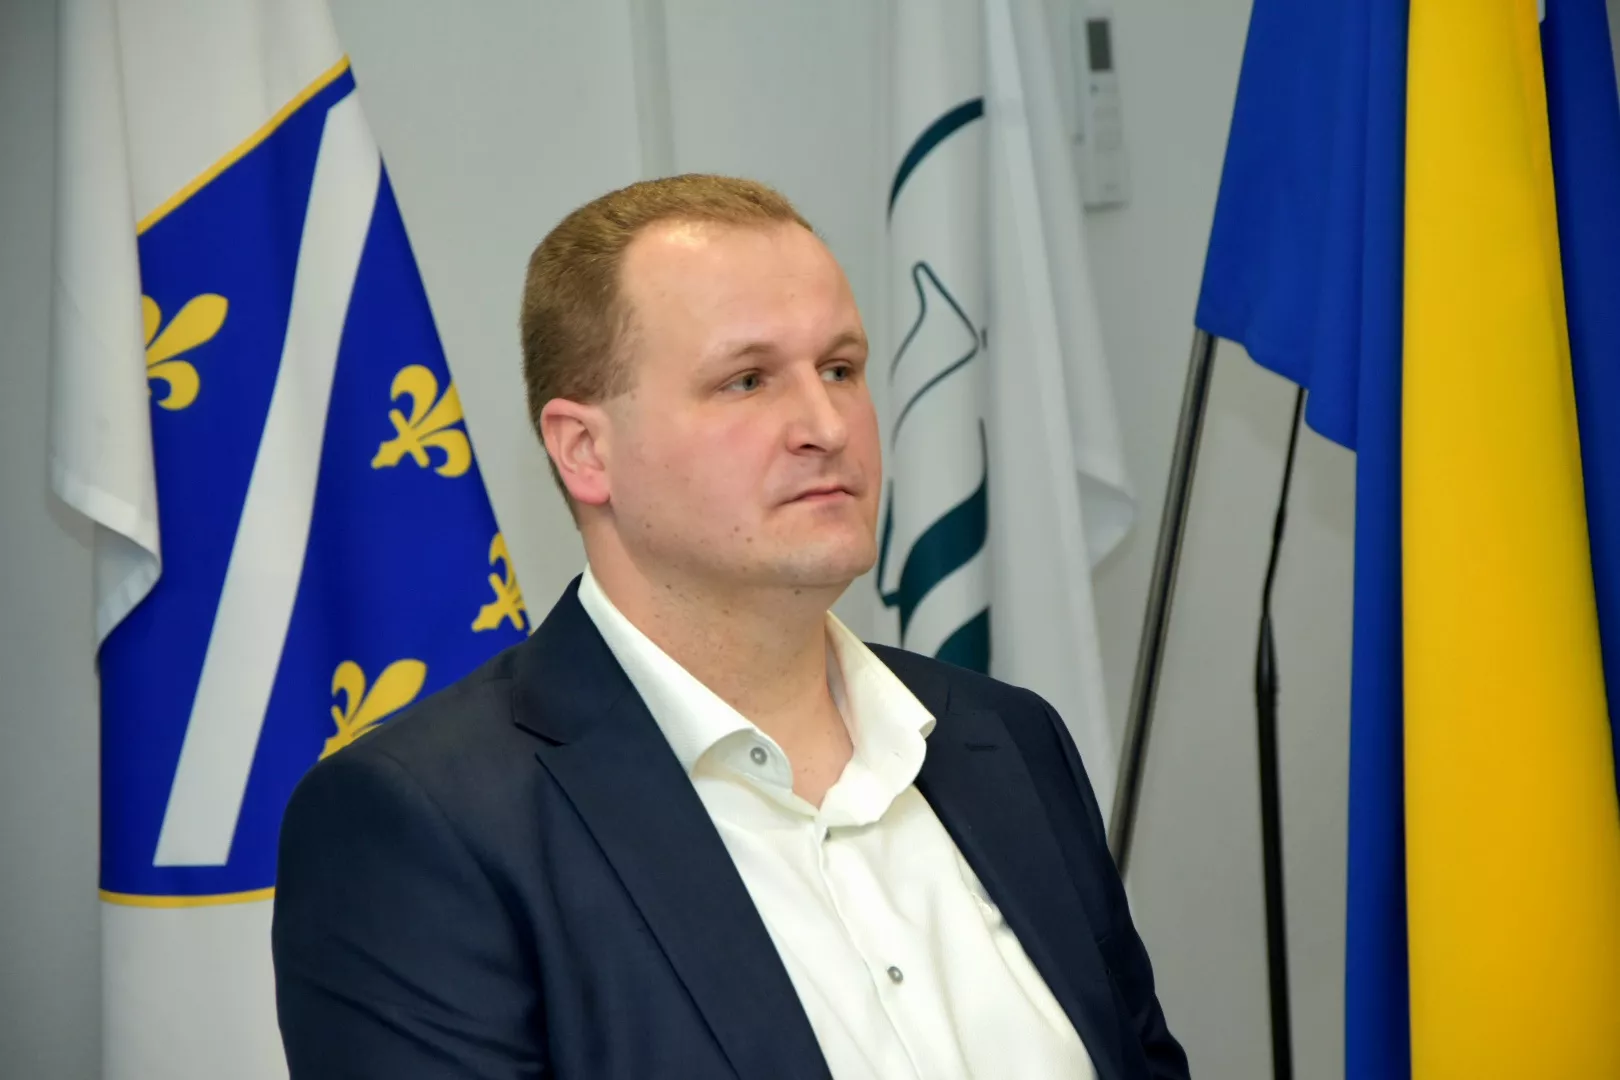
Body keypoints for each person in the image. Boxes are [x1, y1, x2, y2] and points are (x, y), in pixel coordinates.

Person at [271, 174, 1188, 1080]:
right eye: (747, 381)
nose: (827, 425)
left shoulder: (1007, 739)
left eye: (841, 369)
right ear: (585, 451)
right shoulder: (425, 826)